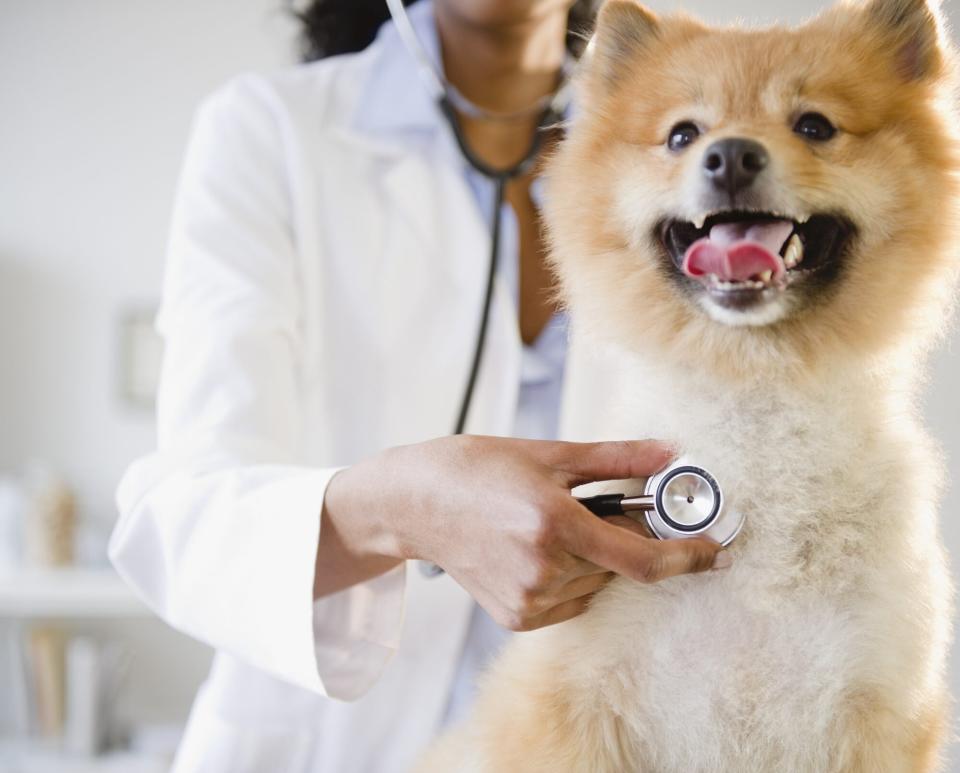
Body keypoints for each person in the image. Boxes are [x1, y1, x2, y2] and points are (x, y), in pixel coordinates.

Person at [109, 1, 729, 771]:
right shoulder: (270, 130)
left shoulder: (676, 141)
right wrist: (405, 510)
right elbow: (180, 518)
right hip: (324, 746)